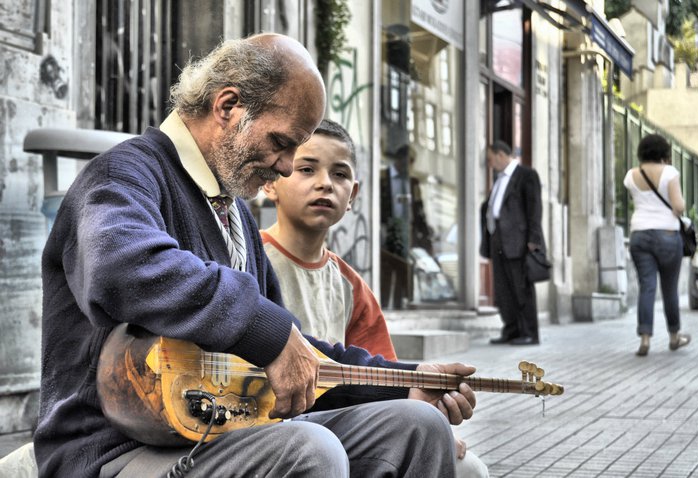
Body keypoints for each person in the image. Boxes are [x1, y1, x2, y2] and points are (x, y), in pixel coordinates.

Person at [34, 34, 476, 478]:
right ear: (227, 106)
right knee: (309, 448)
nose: (285, 166)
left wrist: (406, 383)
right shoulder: (122, 174)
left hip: (226, 430)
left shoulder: (235, 214)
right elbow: (121, 269)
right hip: (115, 449)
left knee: (418, 425)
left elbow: (296, 354)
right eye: (282, 142)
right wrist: (265, 330)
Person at [262, 118, 490, 478]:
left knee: (471, 469)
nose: (324, 183)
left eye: (339, 175)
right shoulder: (250, 260)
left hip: (348, 422)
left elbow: (384, 380)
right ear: (271, 182)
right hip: (268, 425)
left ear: (352, 195)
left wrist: (428, 409)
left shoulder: (351, 286)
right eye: (307, 169)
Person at [623, 134, 691, 356]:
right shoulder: (670, 172)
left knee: (647, 286)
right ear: (664, 153)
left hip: (639, 235)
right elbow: (679, 206)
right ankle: (674, 336)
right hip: (667, 235)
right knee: (669, 289)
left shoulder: (631, 175)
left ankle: (645, 338)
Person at [480, 141, 544, 346]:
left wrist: (534, 239)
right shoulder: (499, 180)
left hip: (519, 241)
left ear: (500, 155)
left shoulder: (526, 175)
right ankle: (511, 329)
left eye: (490, 159)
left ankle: (529, 333)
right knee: (503, 289)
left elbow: (534, 209)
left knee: (521, 288)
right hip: (497, 238)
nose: (490, 164)